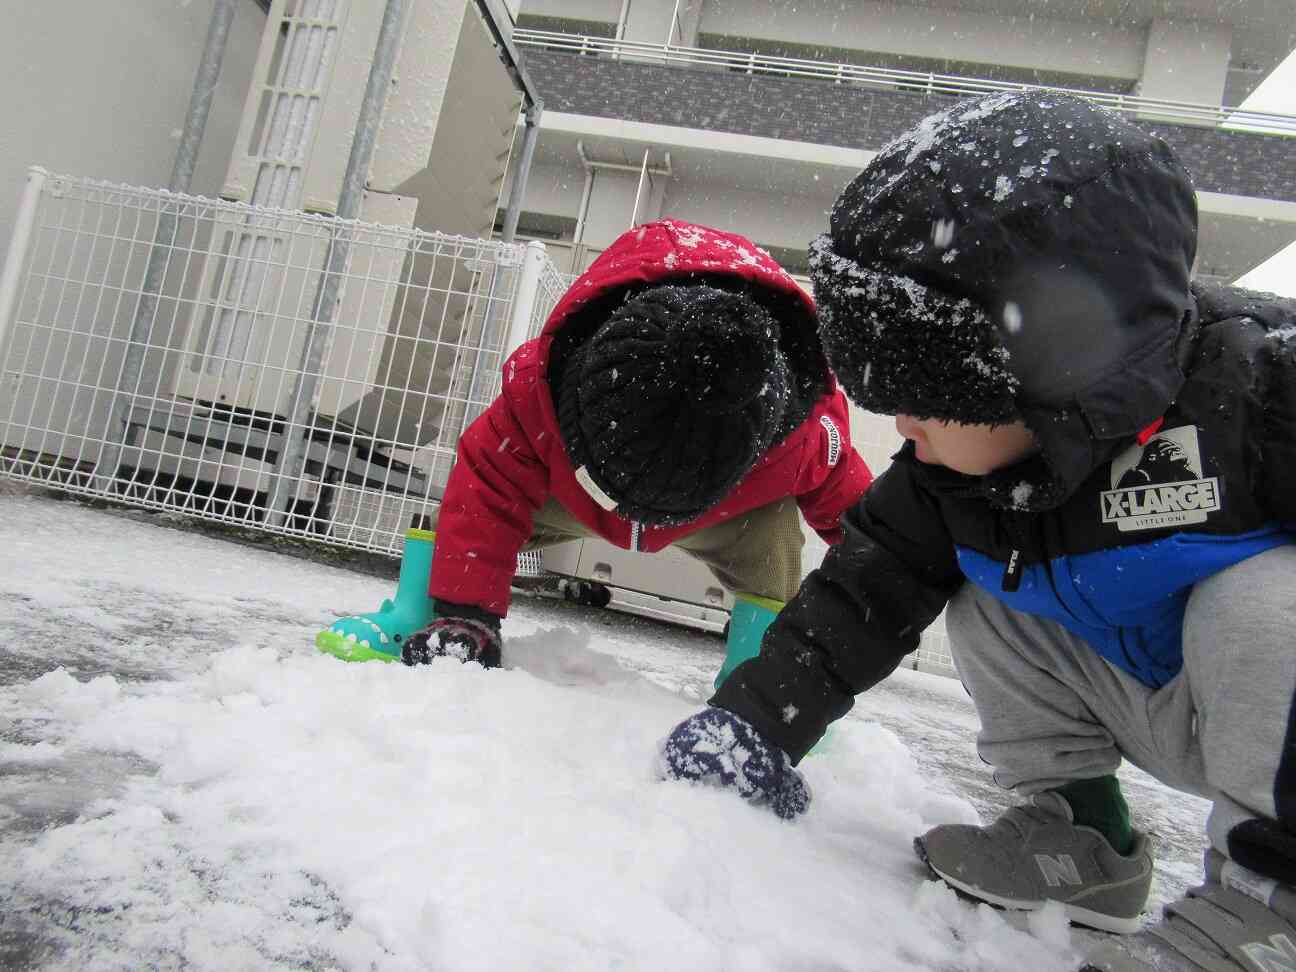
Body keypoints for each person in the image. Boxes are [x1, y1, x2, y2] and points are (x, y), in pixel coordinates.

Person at [659, 90, 1296, 972]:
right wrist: (755, 726)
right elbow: (859, 597)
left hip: (1273, 727)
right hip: (1156, 702)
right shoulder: (952, 479)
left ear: (1044, 372)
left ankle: (1269, 907)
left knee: (1268, 599)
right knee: (980, 596)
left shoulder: (1258, 396)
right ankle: (1083, 836)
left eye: (926, 400)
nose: (904, 425)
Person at [317, 219, 872, 687]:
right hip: (572, 500)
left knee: (777, 548)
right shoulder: (538, 396)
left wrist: (886, 576)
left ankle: (759, 677)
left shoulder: (805, 435)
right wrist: (469, 615)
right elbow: (486, 484)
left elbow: (861, 523)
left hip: (723, 521)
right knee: (467, 516)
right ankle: (427, 612)